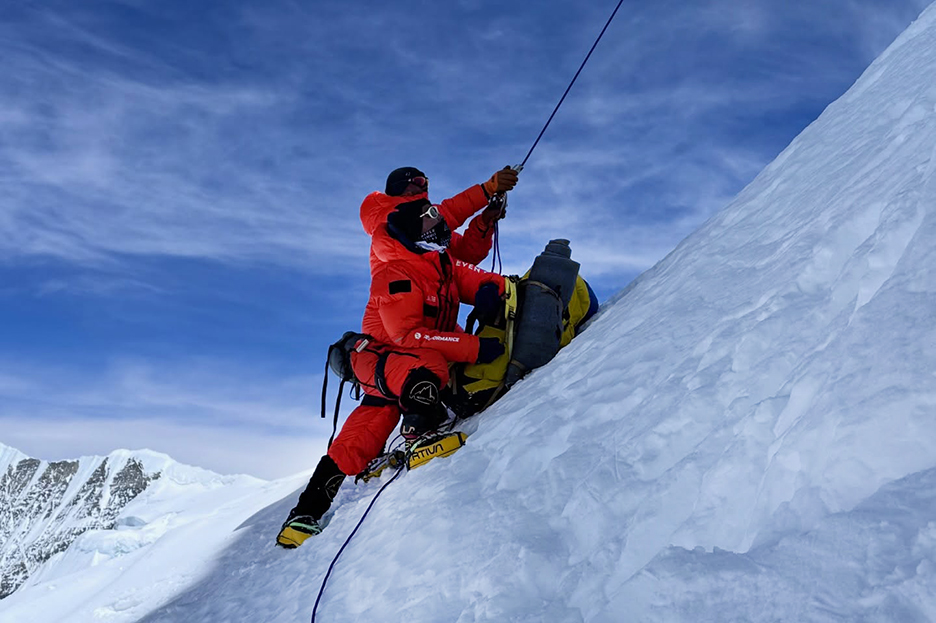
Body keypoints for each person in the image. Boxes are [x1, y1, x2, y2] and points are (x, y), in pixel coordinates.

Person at [276, 167, 518, 548]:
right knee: (428, 365)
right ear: (397, 193)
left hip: (398, 359)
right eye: (413, 184)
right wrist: (486, 189)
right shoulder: (391, 235)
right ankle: (416, 433)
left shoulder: (431, 252)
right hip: (385, 354)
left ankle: (302, 517)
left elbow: (464, 254)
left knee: (361, 434)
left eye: (425, 183)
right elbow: (408, 332)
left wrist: (486, 227)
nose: (422, 190)